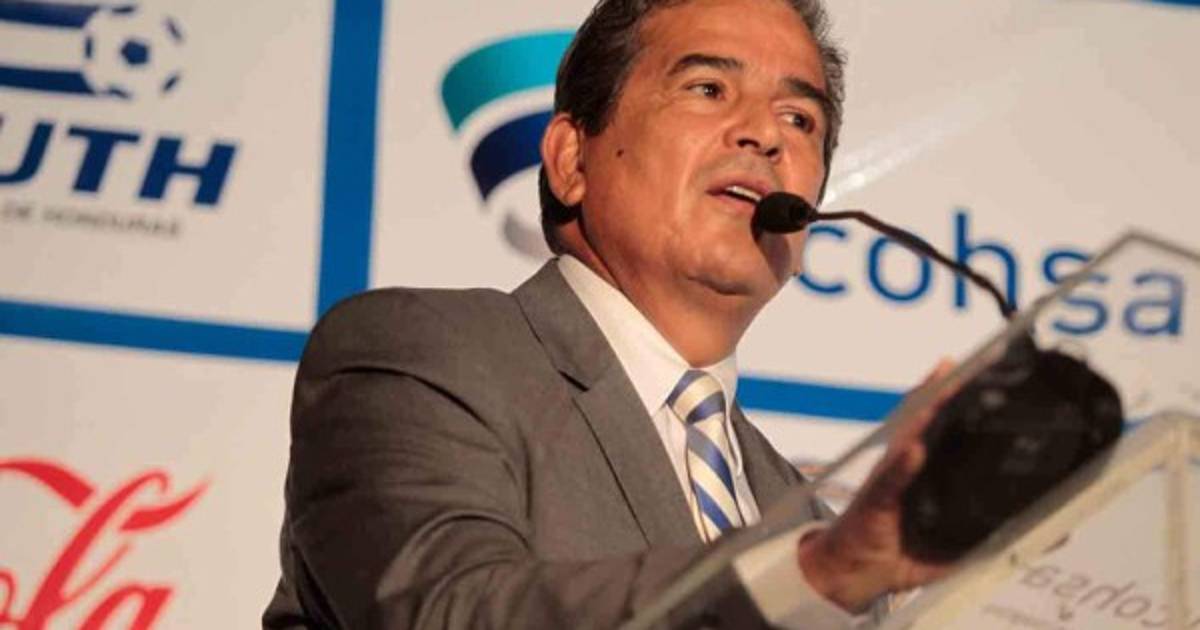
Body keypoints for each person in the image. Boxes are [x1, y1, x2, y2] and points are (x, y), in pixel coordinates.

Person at [264, 0, 953, 627]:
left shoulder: (803, 515)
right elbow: (450, 610)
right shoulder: (422, 357)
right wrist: (811, 574)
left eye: (800, 120)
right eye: (708, 89)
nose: (764, 136)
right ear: (571, 160)